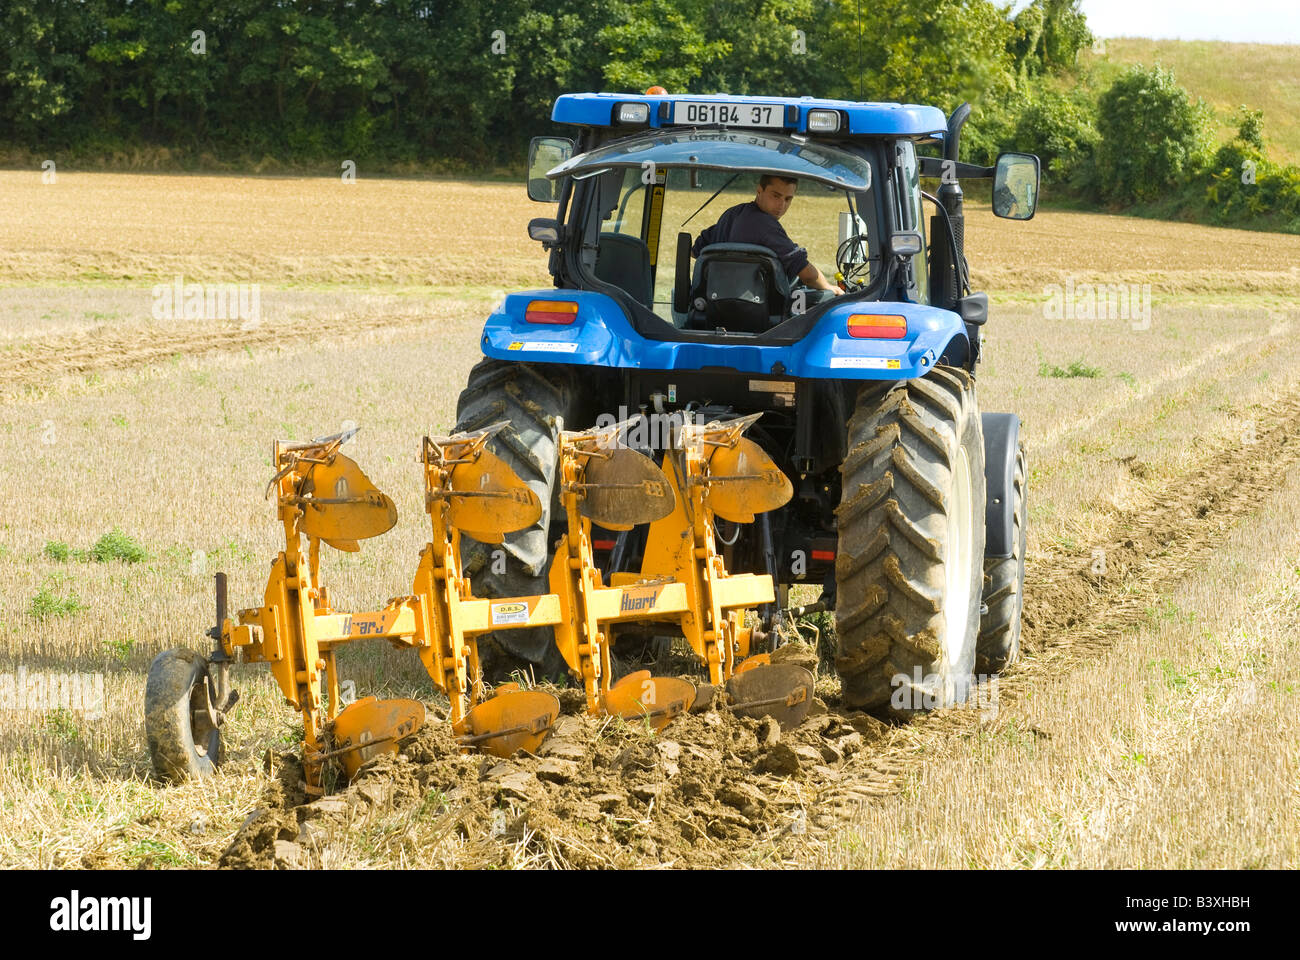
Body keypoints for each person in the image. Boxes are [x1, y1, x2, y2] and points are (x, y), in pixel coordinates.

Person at [691, 174, 840, 295]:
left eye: (788, 199)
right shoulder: (767, 226)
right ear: (759, 190)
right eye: (776, 196)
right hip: (759, 315)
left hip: (714, 304)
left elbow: (696, 250)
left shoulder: (731, 214)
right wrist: (830, 287)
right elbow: (807, 275)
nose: (782, 205)